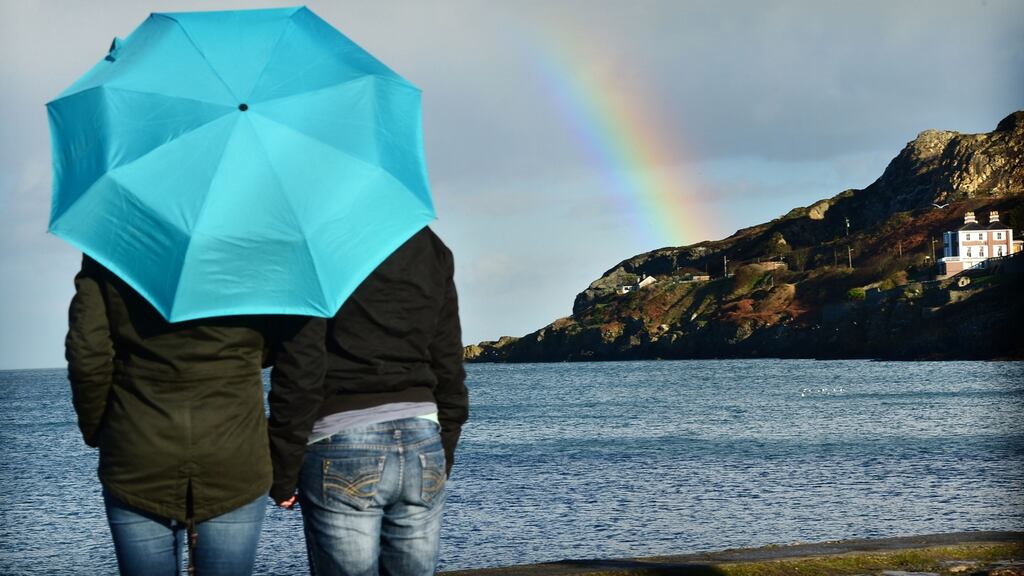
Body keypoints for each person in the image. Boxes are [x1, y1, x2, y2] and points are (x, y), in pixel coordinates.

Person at [66, 255, 321, 575]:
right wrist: (285, 462)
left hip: (137, 452)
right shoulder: (261, 250)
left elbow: (87, 354)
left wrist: (102, 433)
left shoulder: (113, 247)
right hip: (235, 456)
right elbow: (297, 363)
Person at [268, 226, 469, 576]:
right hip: (422, 438)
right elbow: (448, 361)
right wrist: (443, 448)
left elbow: (300, 367)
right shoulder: (430, 246)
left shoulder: (318, 246)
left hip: (342, 437)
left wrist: (283, 471)